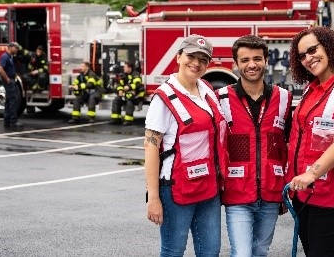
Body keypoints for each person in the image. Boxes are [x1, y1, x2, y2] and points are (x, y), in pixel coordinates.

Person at [144, 34, 228, 257]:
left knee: (210, 252)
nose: (197, 63)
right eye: (191, 56)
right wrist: (153, 197)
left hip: (209, 188)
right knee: (173, 252)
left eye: (203, 59)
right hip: (176, 189)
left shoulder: (207, 89)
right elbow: (151, 147)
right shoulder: (164, 97)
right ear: (179, 57)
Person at [285, 26, 334, 257]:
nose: (308, 58)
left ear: (329, 47)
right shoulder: (311, 89)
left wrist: (312, 173)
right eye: (302, 55)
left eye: (313, 50)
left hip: (332, 190)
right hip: (303, 191)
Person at [217, 35, 292, 257]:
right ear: (236, 64)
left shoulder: (284, 98)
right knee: (242, 254)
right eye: (245, 59)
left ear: (266, 60)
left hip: (271, 194)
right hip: (237, 193)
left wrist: (285, 191)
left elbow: (287, 146)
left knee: (260, 251)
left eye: (257, 58)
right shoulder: (220, 98)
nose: (252, 64)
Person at [109, 62, 145, 126]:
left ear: (130, 68)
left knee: (129, 102)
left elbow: (138, 85)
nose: (124, 68)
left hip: (137, 95)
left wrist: (129, 87)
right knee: (116, 100)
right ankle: (116, 119)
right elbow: (120, 84)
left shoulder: (135, 74)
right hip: (127, 95)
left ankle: (128, 120)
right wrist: (120, 90)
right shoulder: (124, 75)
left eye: (125, 67)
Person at [0, 42, 23, 128]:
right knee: (13, 100)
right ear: (10, 47)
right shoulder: (5, 56)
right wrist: (7, 79)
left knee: (9, 100)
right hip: (9, 81)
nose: (17, 49)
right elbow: (1, 69)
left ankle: (7, 120)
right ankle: (13, 121)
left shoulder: (10, 57)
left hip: (12, 80)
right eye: (16, 47)